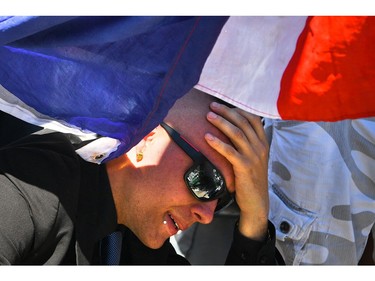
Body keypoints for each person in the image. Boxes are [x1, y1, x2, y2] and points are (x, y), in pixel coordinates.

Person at [0, 88, 278, 265]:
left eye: (224, 200)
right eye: (206, 182)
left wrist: (255, 220)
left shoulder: (146, 252)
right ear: (145, 137)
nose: (206, 215)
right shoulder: (33, 190)